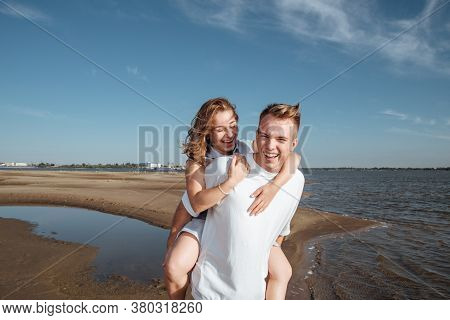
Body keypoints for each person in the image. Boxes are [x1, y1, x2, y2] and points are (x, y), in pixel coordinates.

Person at [163, 98, 300, 299]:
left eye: (233, 126)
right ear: (207, 131)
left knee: (283, 271)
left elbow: (294, 157)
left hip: (240, 221)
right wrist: (230, 182)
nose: (229, 134)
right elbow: (193, 204)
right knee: (174, 266)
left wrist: (274, 186)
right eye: (219, 129)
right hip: (204, 218)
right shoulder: (198, 162)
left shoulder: (245, 148)